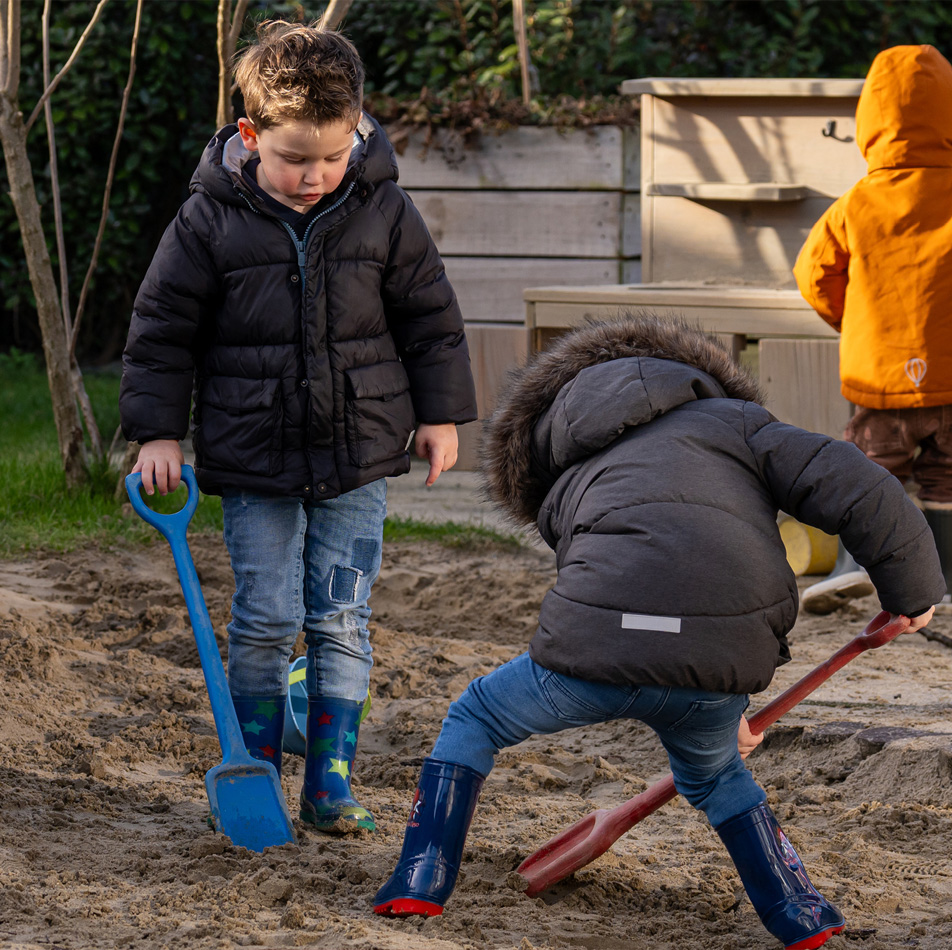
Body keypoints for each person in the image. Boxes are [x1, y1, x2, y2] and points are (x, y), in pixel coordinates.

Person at [372, 313, 942, 950]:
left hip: (593, 654)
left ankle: (420, 878)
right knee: (718, 775)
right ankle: (800, 914)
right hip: (718, 661)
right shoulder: (744, 428)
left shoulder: (566, 470)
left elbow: (620, 567)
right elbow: (856, 485)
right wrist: (912, 594)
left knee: (475, 718)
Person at [119, 21, 477, 835]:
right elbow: (162, 329)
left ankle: (330, 784)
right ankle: (259, 774)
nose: (314, 175)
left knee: (341, 615)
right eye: (293, 158)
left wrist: (441, 413)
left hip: (358, 452)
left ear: (358, 130)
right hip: (255, 456)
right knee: (267, 616)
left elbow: (431, 318)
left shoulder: (382, 209)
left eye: (331, 154)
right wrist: (159, 434)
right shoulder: (209, 220)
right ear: (250, 137)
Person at [794, 44, 952, 615]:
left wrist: (854, 322)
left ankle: (855, 565)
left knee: (870, 470)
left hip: (881, 376)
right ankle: (945, 575)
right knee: (947, 480)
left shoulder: (856, 202)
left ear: (870, 124)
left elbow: (813, 275)